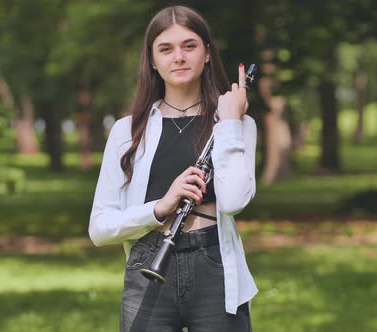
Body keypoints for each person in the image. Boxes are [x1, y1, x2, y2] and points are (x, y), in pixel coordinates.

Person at [89, 5, 257, 331]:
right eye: (165, 49)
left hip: (214, 263)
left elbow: (235, 201)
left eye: (189, 46)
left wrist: (231, 122)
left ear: (207, 53)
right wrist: (158, 208)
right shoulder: (127, 131)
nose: (178, 57)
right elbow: (99, 228)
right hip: (147, 262)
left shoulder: (235, 123)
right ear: (152, 60)